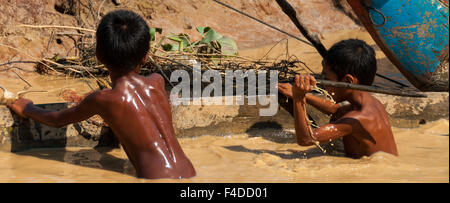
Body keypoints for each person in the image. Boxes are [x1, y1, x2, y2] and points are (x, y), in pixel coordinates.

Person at [7, 10, 196, 179]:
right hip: (189, 171)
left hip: (155, 179)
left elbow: (57, 119)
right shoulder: (157, 81)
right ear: (146, 55)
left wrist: (27, 108)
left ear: (98, 55)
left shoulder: (103, 100)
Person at [278, 39, 398, 158]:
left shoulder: (358, 118)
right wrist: (301, 95)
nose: (324, 84)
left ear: (348, 81)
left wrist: (299, 99)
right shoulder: (370, 103)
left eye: (327, 79)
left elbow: (307, 139)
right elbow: (335, 110)